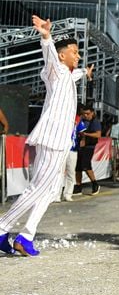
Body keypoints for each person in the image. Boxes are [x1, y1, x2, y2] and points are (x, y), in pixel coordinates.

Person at [0, 15, 93, 256]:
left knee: (51, 190)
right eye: (75, 52)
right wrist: (46, 36)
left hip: (60, 141)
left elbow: (76, 73)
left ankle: (26, 235)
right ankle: (2, 227)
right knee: (39, 188)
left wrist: (85, 72)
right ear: (63, 55)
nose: (78, 55)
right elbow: (50, 55)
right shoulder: (56, 71)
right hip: (53, 139)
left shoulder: (69, 76)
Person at [74, 105, 102, 196]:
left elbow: (98, 135)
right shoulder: (82, 121)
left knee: (86, 165)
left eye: (88, 113)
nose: (86, 115)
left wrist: (85, 134)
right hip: (80, 146)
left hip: (89, 146)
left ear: (92, 113)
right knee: (78, 167)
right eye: (84, 113)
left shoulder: (95, 122)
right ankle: (78, 186)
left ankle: (95, 183)